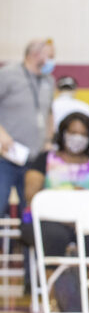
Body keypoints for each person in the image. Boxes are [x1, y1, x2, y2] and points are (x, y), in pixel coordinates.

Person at [21, 112, 89, 311]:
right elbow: (31, 193)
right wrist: (61, 197)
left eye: (82, 133)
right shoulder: (45, 159)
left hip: (85, 222)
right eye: (72, 132)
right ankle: (51, 298)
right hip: (49, 220)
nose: (76, 138)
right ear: (63, 133)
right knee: (52, 235)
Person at [0, 39, 56, 214]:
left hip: (34, 157)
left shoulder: (49, 81)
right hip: (6, 155)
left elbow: (48, 113)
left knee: (32, 210)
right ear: (35, 54)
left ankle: (27, 242)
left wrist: (48, 140)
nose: (54, 60)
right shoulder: (8, 74)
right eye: (51, 56)